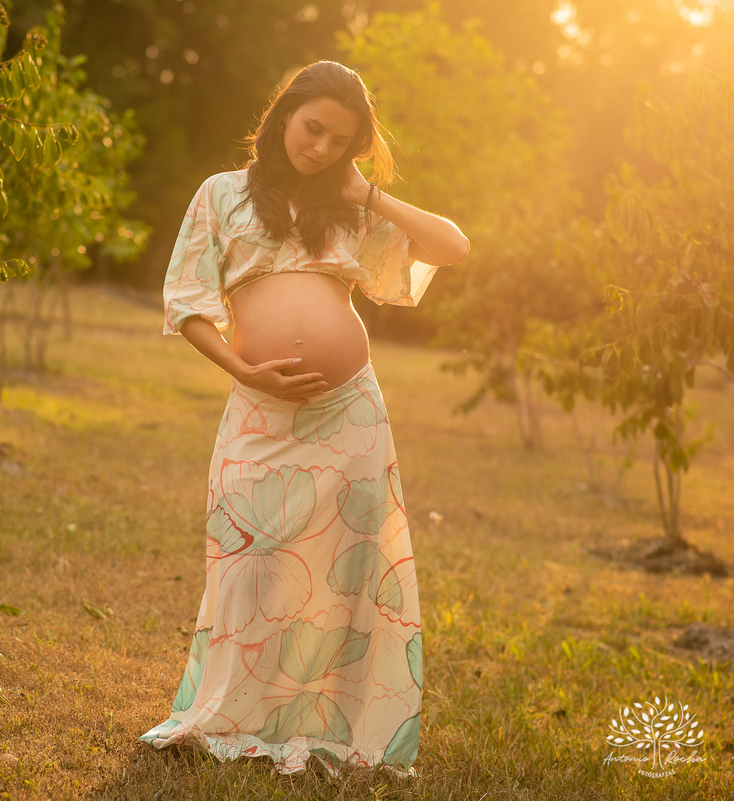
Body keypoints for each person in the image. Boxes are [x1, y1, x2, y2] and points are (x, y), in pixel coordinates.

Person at [140, 60, 469, 778]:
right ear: (283, 112)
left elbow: (453, 248)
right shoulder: (221, 195)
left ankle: (328, 725)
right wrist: (243, 368)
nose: (318, 148)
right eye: (312, 127)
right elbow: (188, 301)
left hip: (350, 412)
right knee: (249, 566)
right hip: (260, 407)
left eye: (338, 141)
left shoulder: (350, 208)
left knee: (346, 576)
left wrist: (370, 192)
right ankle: (237, 715)